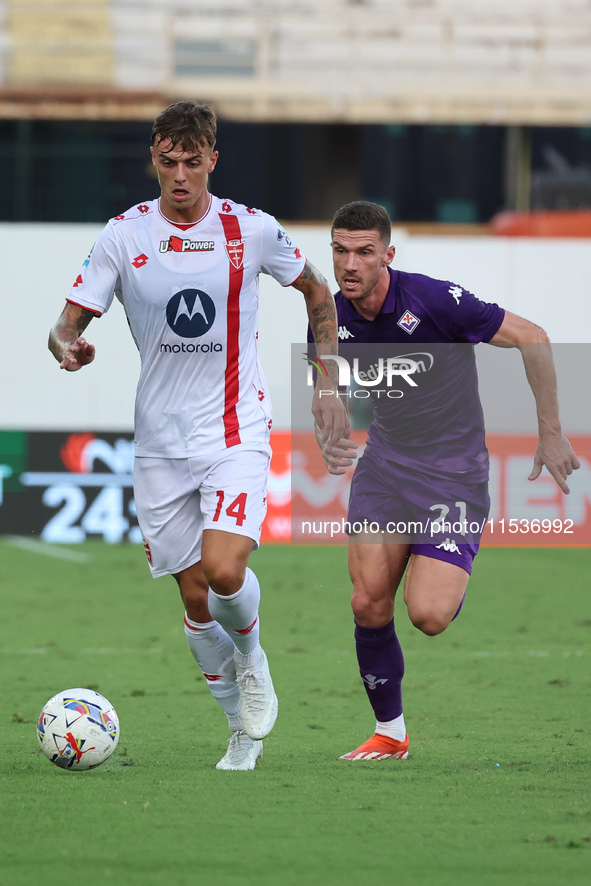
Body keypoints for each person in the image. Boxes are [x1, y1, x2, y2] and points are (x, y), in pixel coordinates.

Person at [48, 101, 347, 771]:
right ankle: (239, 727)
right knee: (192, 598)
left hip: (236, 429)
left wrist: (324, 381)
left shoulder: (251, 229)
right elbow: (64, 325)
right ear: (152, 158)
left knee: (222, 570)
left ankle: (253, 658)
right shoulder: (122, 237)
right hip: (158, 443)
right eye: (167, 161)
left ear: (212, 159)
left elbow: (317, 290)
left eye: (192, 162)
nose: (179, 175)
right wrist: (69, 347)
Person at [312, 200, 579, 761]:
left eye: (364, 252)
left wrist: (550, 432)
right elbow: (329, 377)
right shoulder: (328, 317)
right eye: (340, 251)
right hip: (385, 470)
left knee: (428, 616)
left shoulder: (434, 301)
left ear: (388, 255)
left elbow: (533, 336)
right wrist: (329, 407)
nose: (350, 264)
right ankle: (391, 734)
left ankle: (442, 562)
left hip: (452, 479)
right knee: (367, 604)